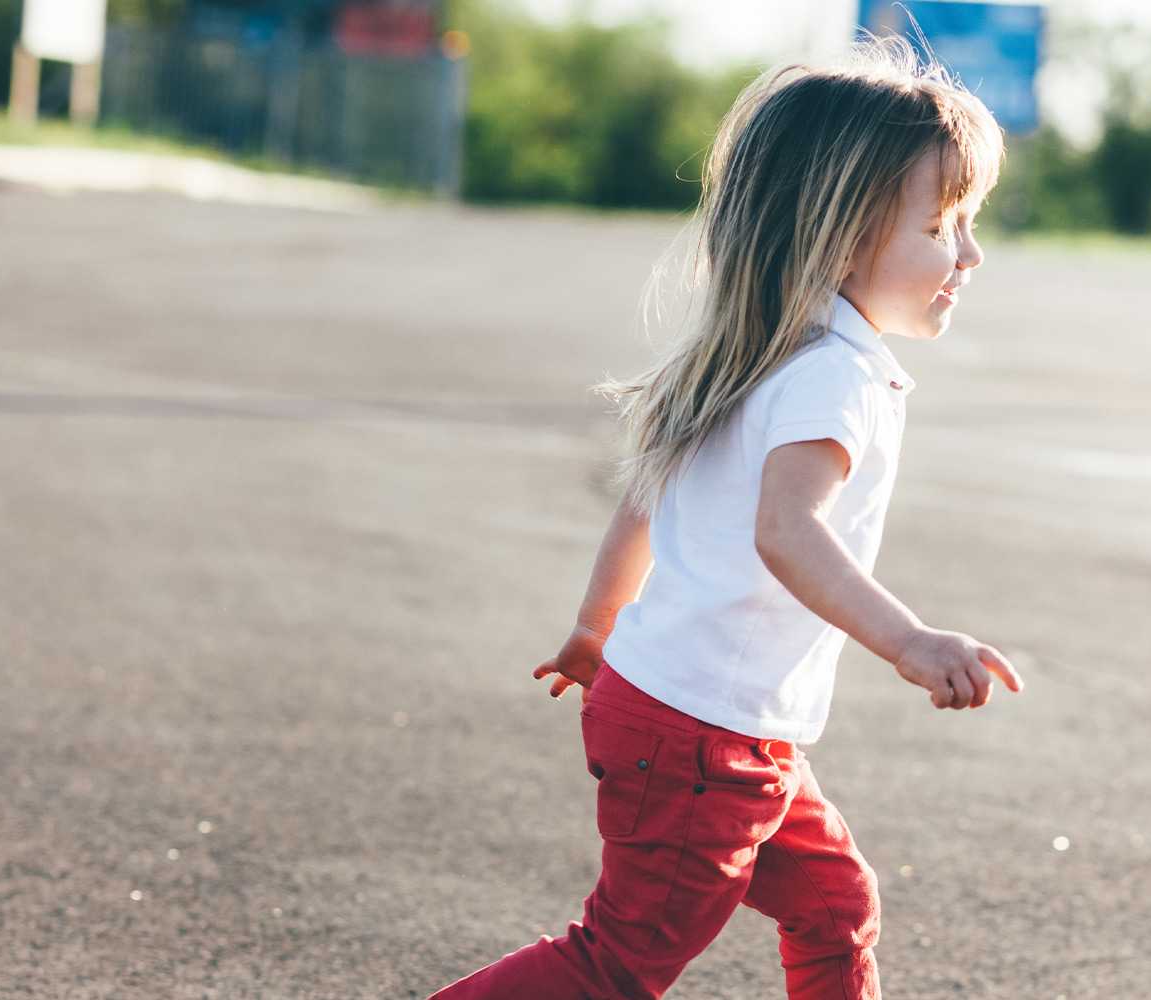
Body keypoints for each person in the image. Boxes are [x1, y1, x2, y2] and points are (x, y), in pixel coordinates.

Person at [429, 34, 1021, 1000]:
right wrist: (908, 640)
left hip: (710, 723)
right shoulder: (832, 376)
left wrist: (595, 629)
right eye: (944, 224)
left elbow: (644, 500)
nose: (969, 253)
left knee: (837, 907)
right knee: (620, 960)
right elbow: (788, 532)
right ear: (839, 231)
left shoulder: (761, 352)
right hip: (704, 737)